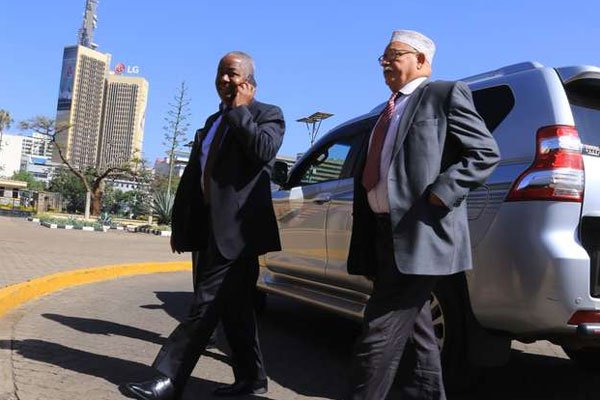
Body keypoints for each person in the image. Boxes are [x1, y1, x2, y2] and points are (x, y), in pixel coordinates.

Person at [121, 51, 285, 399]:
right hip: (210, 231)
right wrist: (182, 227)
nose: (225, 80)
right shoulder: (211, 122)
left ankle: (168, 379)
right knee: (236, 311)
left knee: (205, 305)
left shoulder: (267, 115)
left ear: (250, 81)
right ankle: (252, 381)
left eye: (233, 74)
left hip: (239, 233)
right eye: (221, 74)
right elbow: (196, 180)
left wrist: (241, 110)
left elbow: (262, 151)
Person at [346, 30, 500, 399]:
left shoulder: (442, 94)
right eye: (382, 57)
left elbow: (484, 152)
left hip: (420, 233)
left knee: (378, 334)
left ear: (421, 60)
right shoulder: (387, 110)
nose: (384, 62)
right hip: (384, 235)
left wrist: (440, 194)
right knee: (419, 336)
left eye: (393, 54)